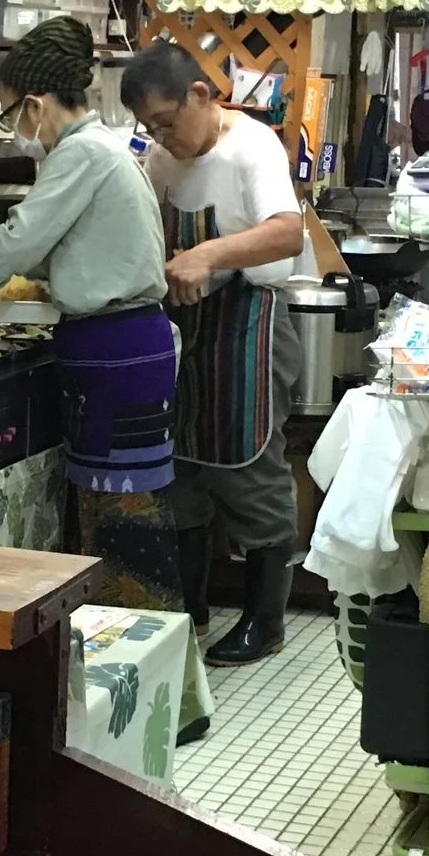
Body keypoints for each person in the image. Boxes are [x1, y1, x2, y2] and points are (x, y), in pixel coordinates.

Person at [0, 17, 180, 605]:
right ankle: (142, 679)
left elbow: (19, 243)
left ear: (35, 104)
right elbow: (60, 253)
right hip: (124, 350)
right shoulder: (100, 151)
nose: (17, 132)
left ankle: (148, 678)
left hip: (116, 354)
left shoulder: (82, 155)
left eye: (11, 117)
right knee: (124, 534)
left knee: (127, 539)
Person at [120, 40, 307, 665]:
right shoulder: (163, 162)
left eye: (167, 123)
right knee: (184, 470)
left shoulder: (251, 146)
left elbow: (287, 231)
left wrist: (205, 255)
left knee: (250, 469)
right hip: (187, 325)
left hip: (251, 323)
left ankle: (265, 619)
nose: (162, 138)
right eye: (149, 129)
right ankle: (191, 613)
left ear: (200, 95)